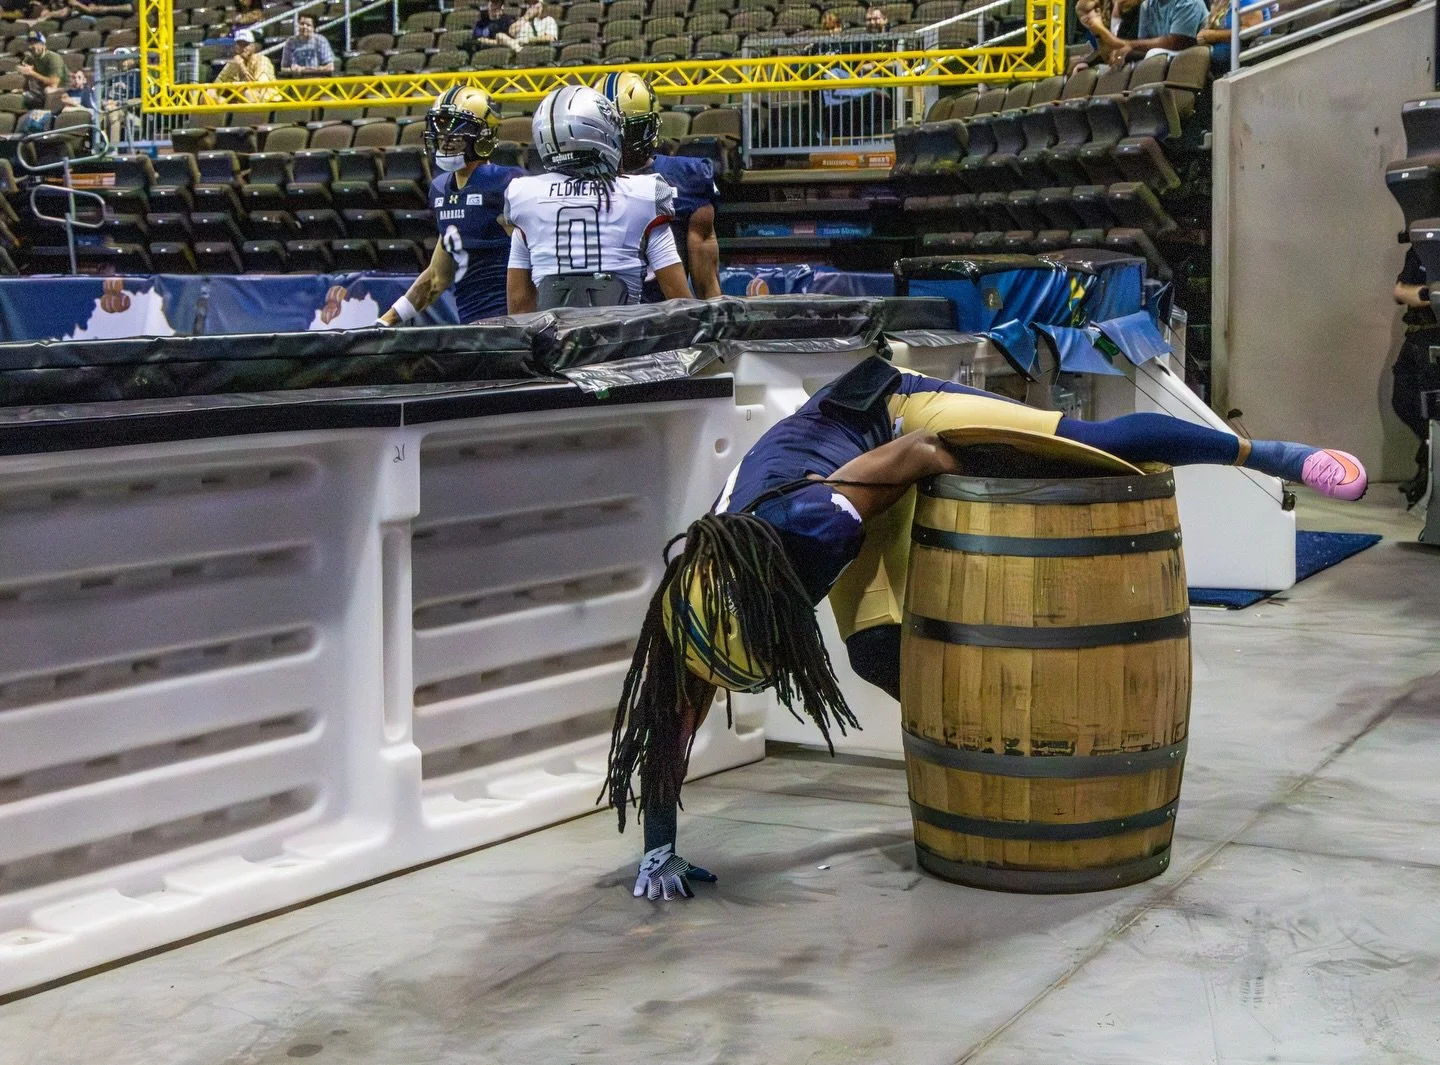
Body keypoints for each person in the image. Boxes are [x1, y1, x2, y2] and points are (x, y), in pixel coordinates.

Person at [603, 355, 1369, 901]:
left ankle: (1273, 454)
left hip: (893, 424)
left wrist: (987, 496)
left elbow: (923, 455)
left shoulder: (814, 528)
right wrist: (661, 841)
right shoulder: (691, 610)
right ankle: (999, 768)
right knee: (875, 653)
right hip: (830, 485)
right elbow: (666, 721)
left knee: (1083, 445)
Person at [502, 85, 693, 312]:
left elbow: (519, 306)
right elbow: (681, 302)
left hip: (554, 342)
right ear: (601, 133)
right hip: (621, 340)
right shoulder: (646, 192)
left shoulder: (523, 196)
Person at [377, 87, 526, 326]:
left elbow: (535, 257)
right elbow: (436, 276)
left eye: (457, 130)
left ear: (483, 134)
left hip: (510, 325)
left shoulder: (506, 183)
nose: (445, 138)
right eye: (441, 129)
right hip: (470, 327)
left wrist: (525, 323)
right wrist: (386, 321)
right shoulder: (440, 188)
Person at [599, 72, 722, 299]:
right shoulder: (578, 185)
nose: (622, 141)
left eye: (630, 131)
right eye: (612, 132)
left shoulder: (686, 179)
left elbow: (708, 288)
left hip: (667, 321)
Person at [1391, 245, 1439, 506]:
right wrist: (1430, 294)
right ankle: (1429, 457)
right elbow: (1400, 291)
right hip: (1416, 335)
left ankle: (1428, 474)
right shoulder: (1421, 247)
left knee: (1434, 410)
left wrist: (1424, 294)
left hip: (1435, 335)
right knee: (1403, 400)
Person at [1101, 0, 1207, 64]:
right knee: (1125, 57)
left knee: (1153, 53)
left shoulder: (1188, 1)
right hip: (1162, 61)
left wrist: (1129, 45)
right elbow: (1143, 42)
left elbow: (1176, 42)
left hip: (1189, 57)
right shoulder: (1147, 5)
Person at [212, 29, 279, 103]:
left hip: (268, 101)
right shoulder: (234, 62)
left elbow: (261, 85)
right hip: (242, 101)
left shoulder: (262, 60)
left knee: (249, 93)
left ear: (253, 46)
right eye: (239, 44)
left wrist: (242, 70)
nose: (243, 48)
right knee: (209, 94)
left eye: (246, 44)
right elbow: (216, 84)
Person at [1070, 0, 1142, 70]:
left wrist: (1099, 29)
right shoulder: (1108, 8)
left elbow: (1122, 48)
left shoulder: (1138, 7)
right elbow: (1109, 55)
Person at [17, 31, 64, 111]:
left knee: (48, 90)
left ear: (43, 45)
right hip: (40, 92)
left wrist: (32, 73)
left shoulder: (53, 58)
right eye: (30, 43)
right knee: (19, 96)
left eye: (36, 43)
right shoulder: (30, 59)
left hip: (59, 91)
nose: (32, 46)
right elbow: (27, 80)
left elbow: (54, 83)